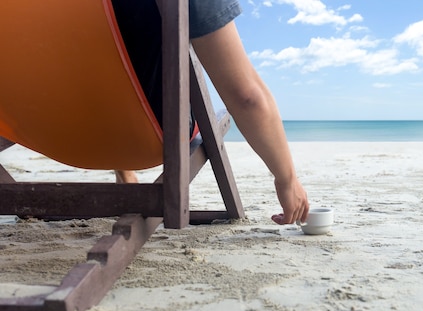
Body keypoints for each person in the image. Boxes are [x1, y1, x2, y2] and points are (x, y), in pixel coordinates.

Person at [111, 0, 309, 225]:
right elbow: (246, 97)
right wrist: (287, 179)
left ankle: (124, 172)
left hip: (69, 139)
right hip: (149, 135)